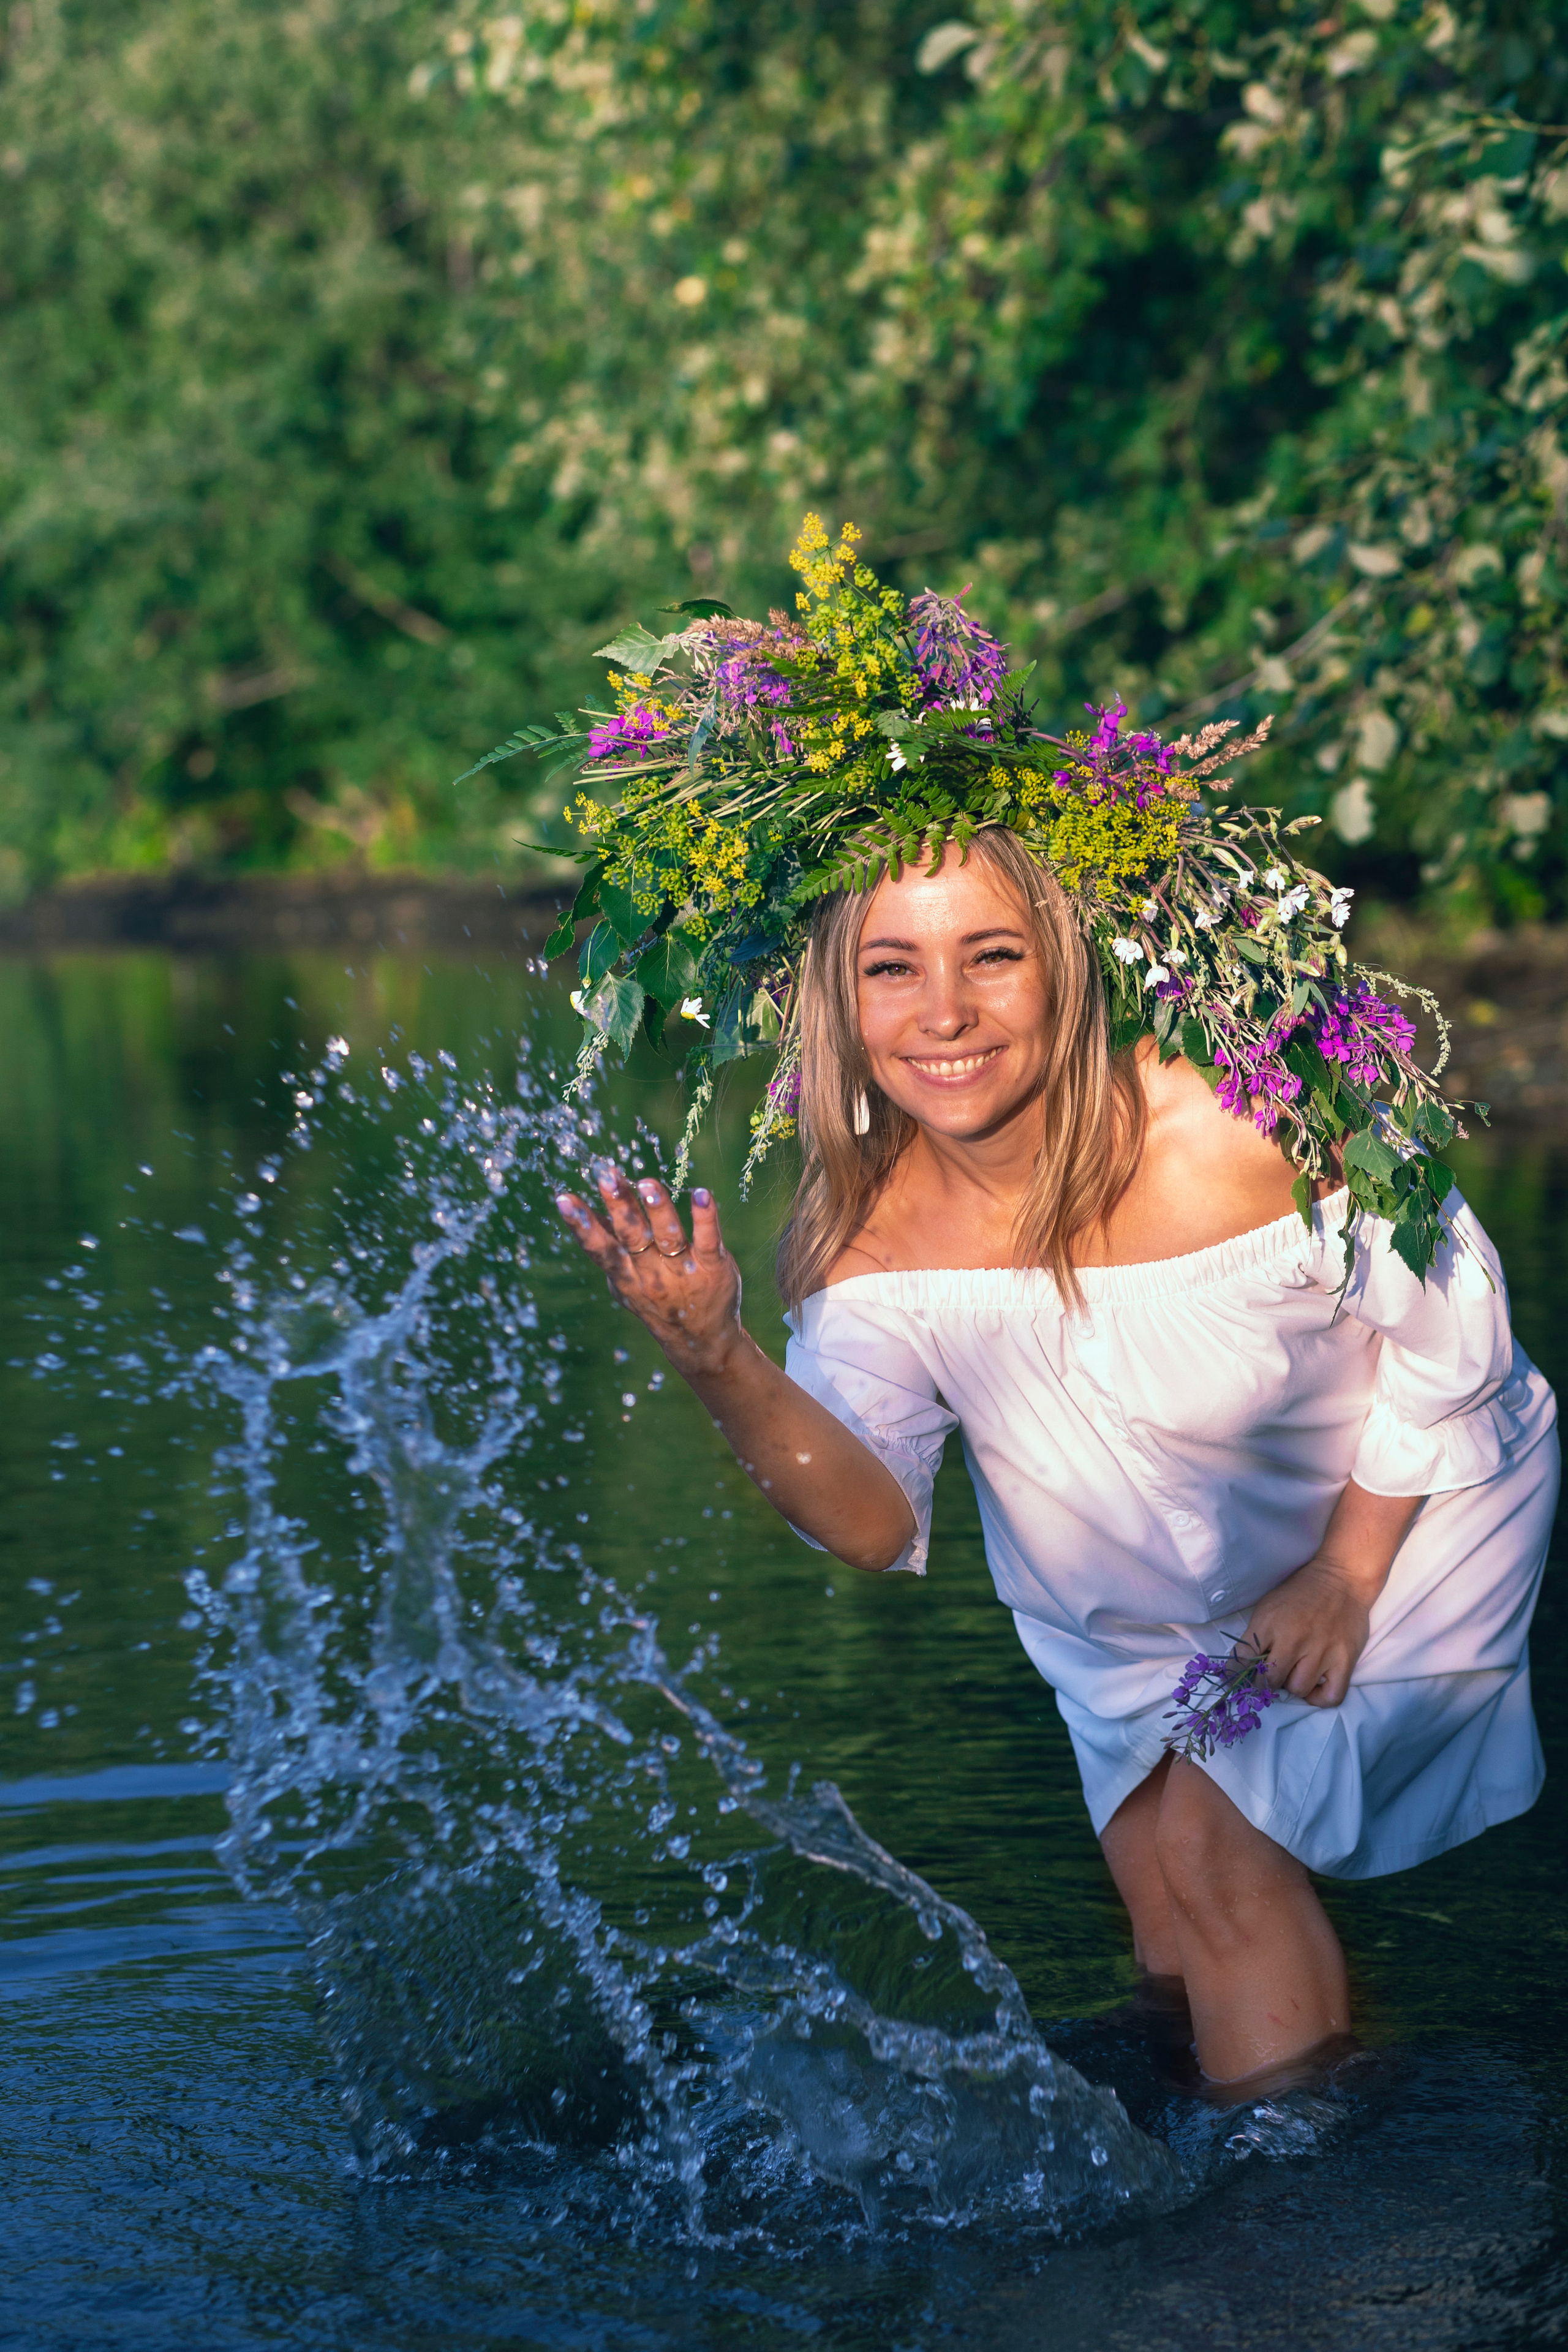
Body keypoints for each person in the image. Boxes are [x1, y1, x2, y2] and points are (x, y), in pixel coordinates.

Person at [554, 829, 1556, 2090]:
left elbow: (1453, 1329)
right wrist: (718, 1357)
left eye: (991, 956)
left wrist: (1348, 1576)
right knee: (1166, 1908)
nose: (944, 1014)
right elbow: (868, 1524)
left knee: (1215, 1844)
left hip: (1399, 1513)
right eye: (889, 969)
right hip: (1133, 1604)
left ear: (1068, 966)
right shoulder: (864, 1240)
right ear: (836, 998)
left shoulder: (1243, 1125)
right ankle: (1247, 2097)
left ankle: (1295, 2225)